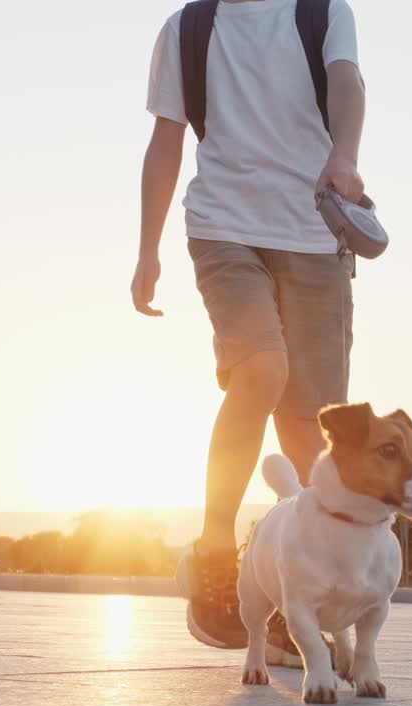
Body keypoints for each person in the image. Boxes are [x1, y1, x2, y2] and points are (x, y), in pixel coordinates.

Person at [132, 0, 366, 658]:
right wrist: (148, 250)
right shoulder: (187, 29)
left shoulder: (322, 11)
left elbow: (347, 83)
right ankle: (212, 548)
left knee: (310, 432)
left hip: (315, 232)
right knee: (262, 368)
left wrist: (343, 157)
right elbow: (165, 140)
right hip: (224, 228)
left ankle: (299, 602)